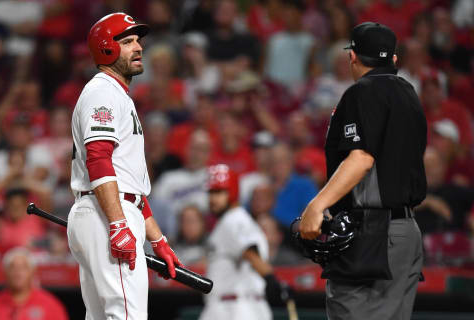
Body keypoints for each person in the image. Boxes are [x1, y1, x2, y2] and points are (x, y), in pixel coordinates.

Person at [299, 22, 426, 319]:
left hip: (373, 235)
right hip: (406, 233)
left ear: (352, 57)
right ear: (393, 59)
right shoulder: (410, 94)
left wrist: (317, 205)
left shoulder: (362, 92)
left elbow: (361, 158)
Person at [68, 13, 182, 320]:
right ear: (106, 48)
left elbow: (127, 180)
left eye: (138, 41)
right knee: (127, 316)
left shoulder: (114, 93)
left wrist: (157, 239)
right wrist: (118, 224)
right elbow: (98, 157)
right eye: (128, 41)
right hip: (107, 214)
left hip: (106, 210)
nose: (139, 47)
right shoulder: (103, 91)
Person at [200, 164, 292, 320]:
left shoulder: (235, 219)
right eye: (210, 193)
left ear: (233, 192)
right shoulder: (234, 220)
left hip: (234, 308)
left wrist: (271, 279)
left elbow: (250, 252)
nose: (212, 199)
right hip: (241, 306)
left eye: (219, 192)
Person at [0, 247, 68, 320]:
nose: (18, 271)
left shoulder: (50, 304)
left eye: (23, 267)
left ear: (32, 272)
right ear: (5, 272)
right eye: (12, 267)